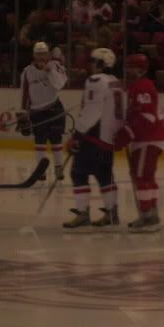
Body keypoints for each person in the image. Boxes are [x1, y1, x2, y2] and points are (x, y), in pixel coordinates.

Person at [64, 48, 124, 228]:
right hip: (109, 137)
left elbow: (92, 111)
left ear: (101, 64)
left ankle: (83, 213)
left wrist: (77, 135)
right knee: (105, 175)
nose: (89, 64)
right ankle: (112, 213)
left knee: (78, 173)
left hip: (93, 136)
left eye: (92, 61)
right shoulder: (116, 82)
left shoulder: (95, 81)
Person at [114, 54, 164, 231]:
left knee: (142, 177)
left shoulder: (142, 86)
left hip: (148, 139)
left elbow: (146, 117)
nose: (127, 70)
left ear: (141, 69)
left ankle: (147, 217)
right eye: (127, 67)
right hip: (148, 139)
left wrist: (125, 135)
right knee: (147, 177)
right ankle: (152, 214)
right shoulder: (136, 86)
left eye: (131, 67)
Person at [18, 42, 68, 181]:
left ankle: (58, 167)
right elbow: (25, 93)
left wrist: (48, 71)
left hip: (54, 107)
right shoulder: (27, 71)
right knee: (39, 141)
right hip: (36, 111)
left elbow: (60, 84)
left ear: (48, 54)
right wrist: (23, 111)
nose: (41, 57)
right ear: (33, 55)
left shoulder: (54, 66)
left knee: (56, 139)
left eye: (44, 54)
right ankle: (41, 170)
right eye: (38, 54)